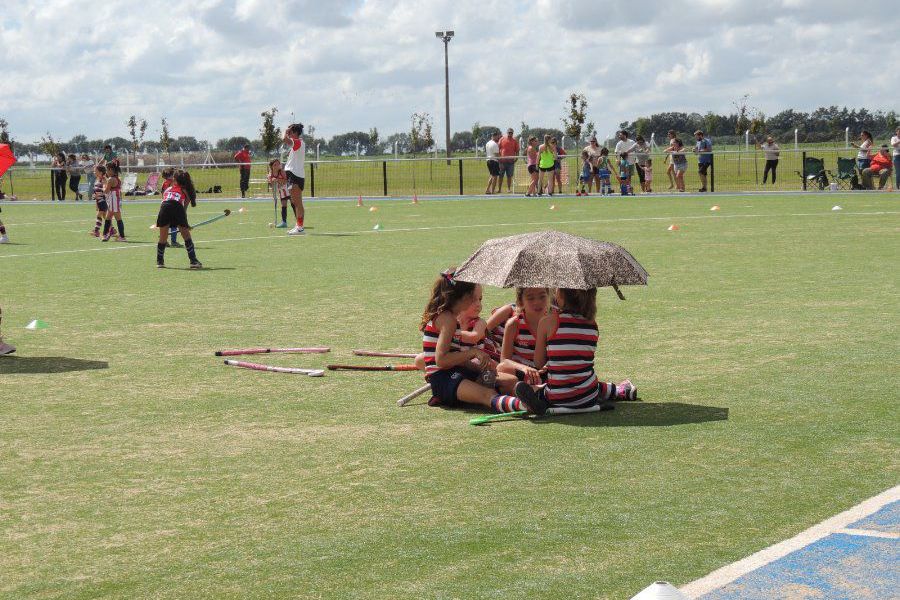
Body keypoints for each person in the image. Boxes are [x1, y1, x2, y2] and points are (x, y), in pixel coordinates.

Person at [420, 269, 547, 414]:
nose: (478, 304)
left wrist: (479, 368)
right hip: (443, 378)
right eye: (475, 298)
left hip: (458, 371)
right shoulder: (447, 319)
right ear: (464, 297)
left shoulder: (451, 319)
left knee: (510, 380)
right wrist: (473, 352)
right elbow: (441, 361)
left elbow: (455, 358)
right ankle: (525, 405)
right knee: (487, 395)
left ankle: (537, 394)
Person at [531, 288, 635, 409]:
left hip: (556, 398)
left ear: (560, 294)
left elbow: (538, 363)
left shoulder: (546, 322)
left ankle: (507, 403)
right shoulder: (592, 324)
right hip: (589, 397)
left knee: (531, 389)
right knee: (587, 380)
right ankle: (620, 391)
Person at [498, 287, 551, 386]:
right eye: (531, 298)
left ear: (548, 297)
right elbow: (504, 360)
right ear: (520, 302)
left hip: (546, 372)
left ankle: (534, 392)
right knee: (502, 368)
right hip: (523, 372)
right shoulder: (514, 324)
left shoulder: (553, 322)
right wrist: (524, 368)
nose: (537, 302)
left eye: (542, 296)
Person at [155, 170, 202, 269]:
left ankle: (160, 261)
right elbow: (183, 210)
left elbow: (164, 203)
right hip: (177, 207)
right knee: (186, 236)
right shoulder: (185, 190)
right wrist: (185, 224)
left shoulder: (168, 189)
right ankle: (193, 261)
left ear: (175, 180)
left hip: (164, 208)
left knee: (163, 237)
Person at [282, 123, 307, 235]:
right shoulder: (297, 144)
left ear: (295, 132)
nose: (289, 133)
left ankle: (300, 227)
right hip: (294, 175)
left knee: (297, 203)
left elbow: (284, 139)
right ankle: (298, 225)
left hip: (295, 175)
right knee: (295, 202)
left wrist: (285, 131)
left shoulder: (298, 142)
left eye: (291, 132)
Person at [102, 163, 125, 242]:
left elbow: (106, 191)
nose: (106, 172)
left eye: (107, 170)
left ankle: (122, 237)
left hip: (114, 200)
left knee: (118, 218)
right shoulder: (117, 178)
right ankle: (105, 235)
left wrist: (103, 186)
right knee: (108, 217)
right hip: (114, 199)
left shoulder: (111, 179)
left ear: (111, 170)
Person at [268, 158, 294, 228]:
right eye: (275, 165)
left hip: (289, 189)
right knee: (283, 206)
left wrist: (277, 180)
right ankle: (284, 222)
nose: (278, 166)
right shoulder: (270, 175)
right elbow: (271, 186)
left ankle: (299, 221)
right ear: (272, 166)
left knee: (293, 204)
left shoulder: (282, 172)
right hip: (282, 192)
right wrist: (272, 182)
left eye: (278, 164)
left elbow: (285, 181)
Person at [497, 128, 519, 193]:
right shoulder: (502, 139)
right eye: (509, 132)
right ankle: (499, 189)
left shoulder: (515, 140)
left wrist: (516, 158)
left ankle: (509, 189)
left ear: (513, 133)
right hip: (502, 162)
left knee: (509, 176)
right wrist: (499, 158)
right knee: (500, 176)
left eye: (511, 133)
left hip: (511, 162)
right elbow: (498, 149)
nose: (510, 134)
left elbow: (517, 151)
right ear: (507, 133)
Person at [89, 164, 108, 237]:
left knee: (99, 215)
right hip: (98, 201)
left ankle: (96, 231)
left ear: (100, 172)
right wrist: (95, 197)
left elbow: (106, 190)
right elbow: (96, 191)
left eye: (95, 171)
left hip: (103, 200)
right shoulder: (97, 179)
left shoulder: (104, 179)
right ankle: (112, 229)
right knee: (105, 216)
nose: (94, 172)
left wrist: (100, 195)